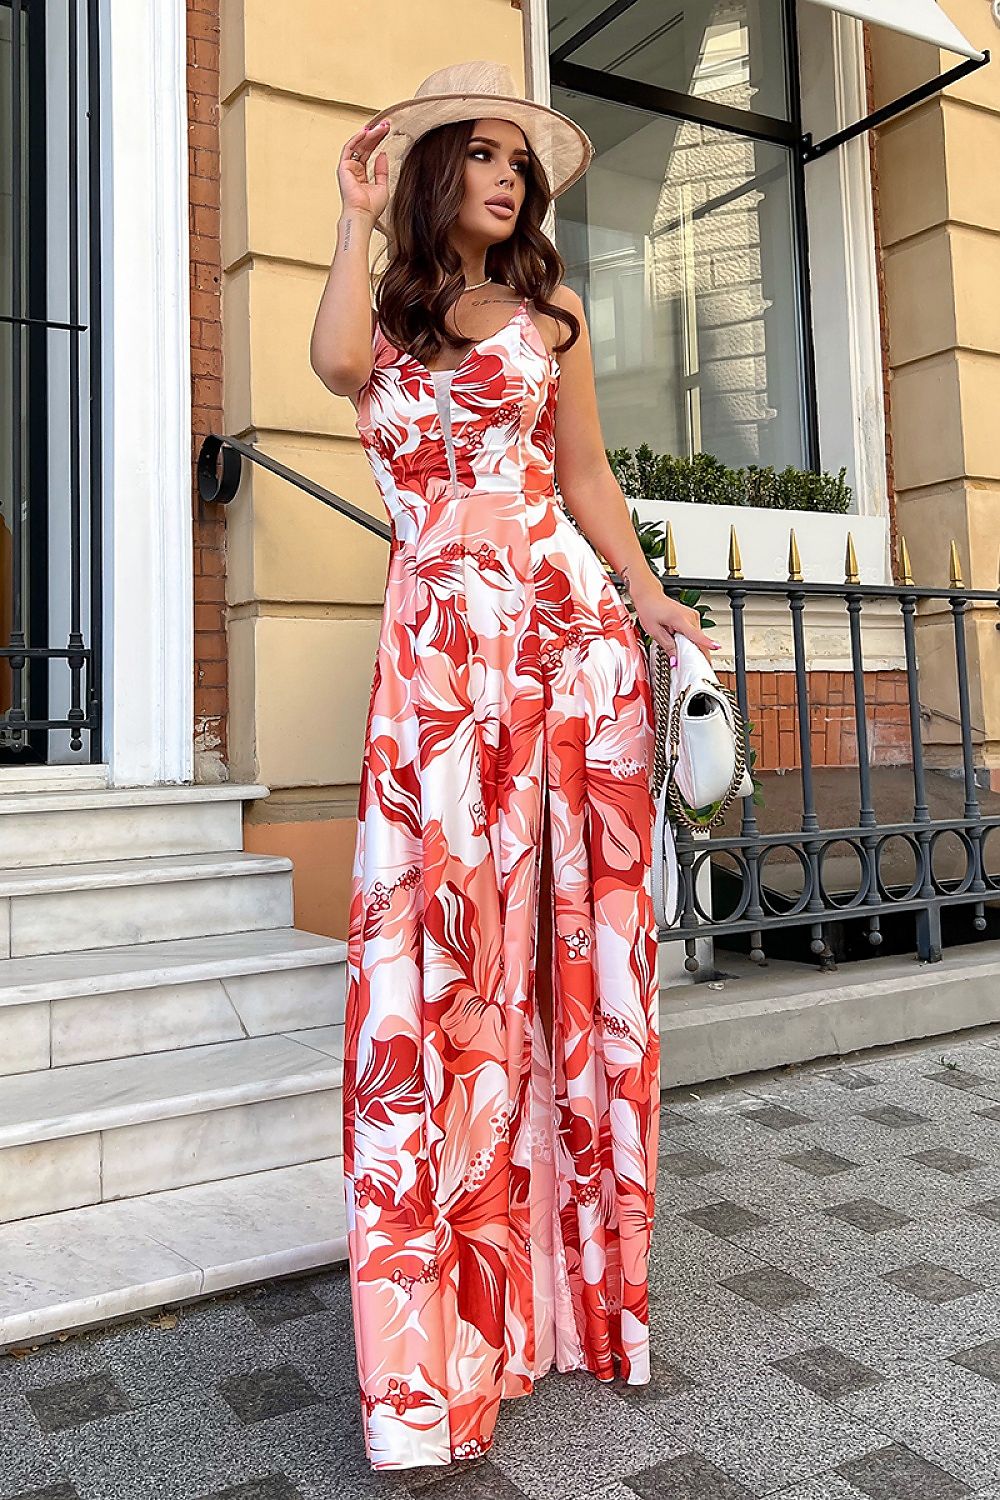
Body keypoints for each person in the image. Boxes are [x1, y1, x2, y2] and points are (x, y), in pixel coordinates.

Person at [310, 59, 717, 1472]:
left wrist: (647, 593)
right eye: (477, 157)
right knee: (443, 963)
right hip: (436, 667)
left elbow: (588, 476)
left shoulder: (554, 313)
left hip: (561, 651)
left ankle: (560, 1297)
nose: (505, 178)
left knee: (565, 959)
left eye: (517, 164)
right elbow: (336, 369)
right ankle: (449, 1333)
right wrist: (352, 215)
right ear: (433, 177)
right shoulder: (388, 317)